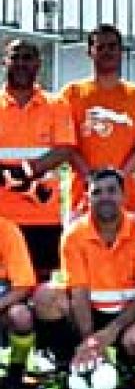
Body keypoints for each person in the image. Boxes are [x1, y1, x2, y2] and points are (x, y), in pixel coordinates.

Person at [31, 168, 135, 389]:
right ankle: (66, 362)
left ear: (123, 195)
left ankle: (124, 366)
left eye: (112, 191)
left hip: (127, 315)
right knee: (45, 296)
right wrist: (90, 341)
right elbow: (79, 291)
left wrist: (111, 331)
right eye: (97, 192)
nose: (105, 197)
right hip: (86, 313)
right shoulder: (74, 235)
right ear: (87, 197)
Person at [0, 39, 76, 281]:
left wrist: (25, 171)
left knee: (41, 286)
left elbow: (64, 149)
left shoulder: (56, 104)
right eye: (15, 57)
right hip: (2, 215)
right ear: (5, 62)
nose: (21, 64)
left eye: (28, 58)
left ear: (38, 64)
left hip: (42, 215)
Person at [61, 24, 135, 218]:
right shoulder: (72, 93)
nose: (107, 52)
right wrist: (91, 178)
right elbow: (66, 145)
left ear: (121, 51)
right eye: (100, 47)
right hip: (82, 197)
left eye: (112, 46)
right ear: (90, 52)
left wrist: (118, 178)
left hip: (126, 198)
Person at [0, 215, 38, 387]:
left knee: (20, 316)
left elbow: (24, 285)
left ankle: (16, 371)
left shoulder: (7, 229)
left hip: (3, 299)